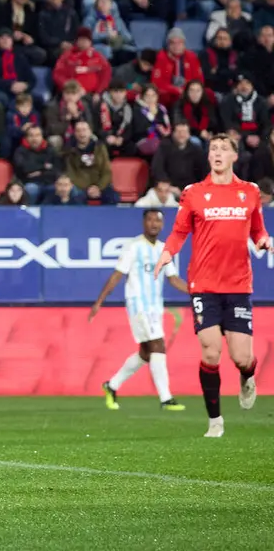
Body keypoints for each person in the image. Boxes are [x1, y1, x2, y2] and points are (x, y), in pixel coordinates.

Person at [155, 135, 271, 437]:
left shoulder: (250, 192)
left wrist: (263, 240)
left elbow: (257, 229)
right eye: (213, 149)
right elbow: (179, 232)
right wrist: (166, 254)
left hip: (238, 285)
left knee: (241, 358)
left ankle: (247, 377)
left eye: (223, 149)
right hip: (204, 285)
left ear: (234, 156)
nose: (217, 153)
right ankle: (215, 421)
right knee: (210, 353)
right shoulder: (194, 193)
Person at [90, 210, 189, 412]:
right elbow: (117, 275)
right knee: (158, 345)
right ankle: (166, 398)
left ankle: (112, 385)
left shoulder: (164, 249)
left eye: (158, 221)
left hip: (155, 307)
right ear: (144, 222)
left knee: (146, 353)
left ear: (162, 225)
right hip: (138, 305)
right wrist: (99, 301)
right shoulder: (134, 247)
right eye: (150, 219)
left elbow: (173, 278)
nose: (154, 224)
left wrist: (196, 291)